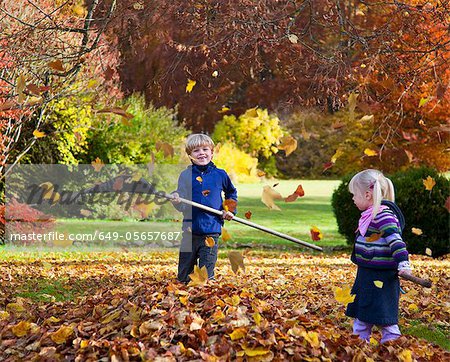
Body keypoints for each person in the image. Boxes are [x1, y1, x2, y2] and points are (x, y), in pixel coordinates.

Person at [345, 169, 413, 343]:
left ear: (367, 194)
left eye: (354, 194)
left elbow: (396, 242)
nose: (352, 198)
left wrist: (403, 264)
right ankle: (359, 348)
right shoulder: (371, 216)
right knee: (362, 316)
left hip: (382, 278)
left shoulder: (383, 216)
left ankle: (392, 347)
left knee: (385, 319)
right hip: (366, 275)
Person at [171, 134, 237, 283]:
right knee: (183, 277)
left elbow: (231, 192)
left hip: (211, 231)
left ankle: (206, 299)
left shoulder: (220, 175)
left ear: (212, 153)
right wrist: (176, 199)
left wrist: (230, 210)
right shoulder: (186, 175)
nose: (201, 153)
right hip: (190, 230)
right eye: (196, 151)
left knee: (205, 276)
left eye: (205, 149)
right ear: (190, 156)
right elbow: (181, 201)